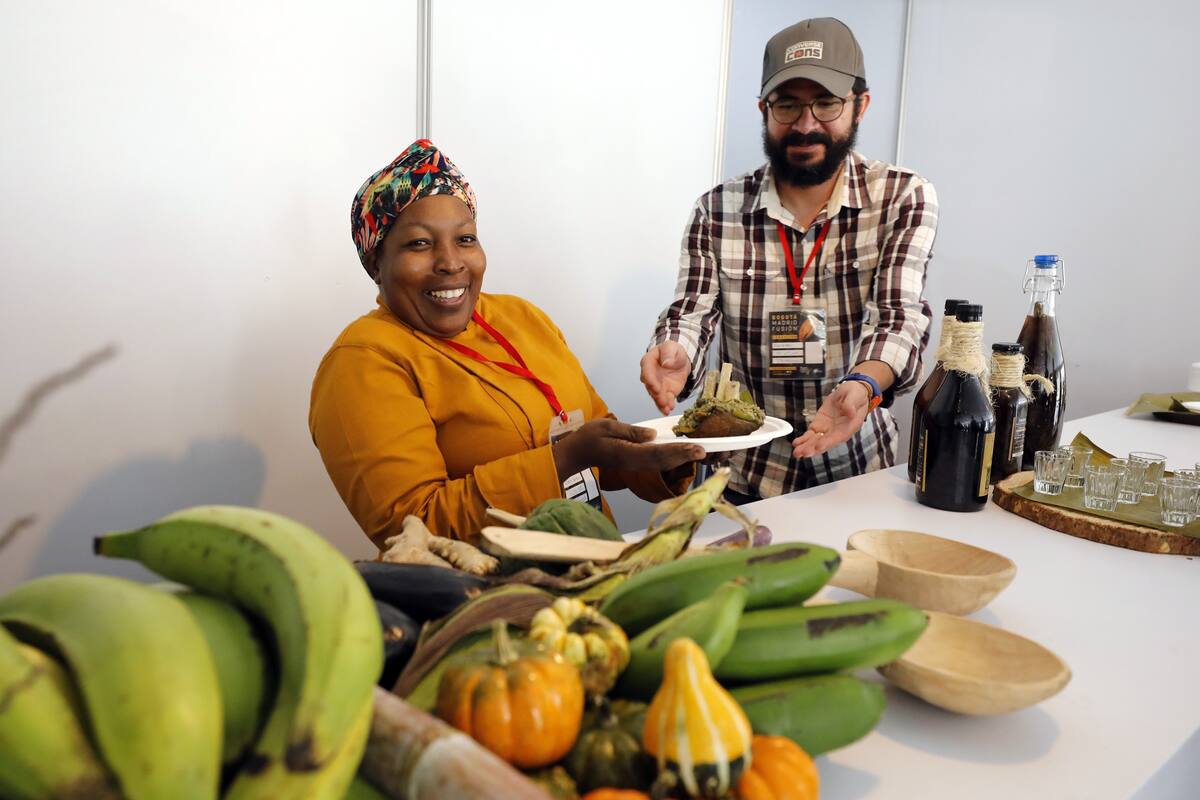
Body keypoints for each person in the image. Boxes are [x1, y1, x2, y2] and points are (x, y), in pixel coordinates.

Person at [310, 140, 704, 548]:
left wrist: (671, 459)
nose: (450, 262)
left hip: (593, 565)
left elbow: (602, 441)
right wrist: (565, 458)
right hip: (483, 597)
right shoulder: (362, 362)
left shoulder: (522, 317)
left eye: (464, 239)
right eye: (419, 244)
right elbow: (412, 528)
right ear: (376, 262)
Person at [641, 17, 938, 503]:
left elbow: (898, 316)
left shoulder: (902, 198)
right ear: (763, 109)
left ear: (860, 106)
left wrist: (863, 383)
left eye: (826, 103)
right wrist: (676, 352)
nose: (806, 124)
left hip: (856, 469)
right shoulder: (716, 209)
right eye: (788, 104)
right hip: (739, 473)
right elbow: (692, 310)